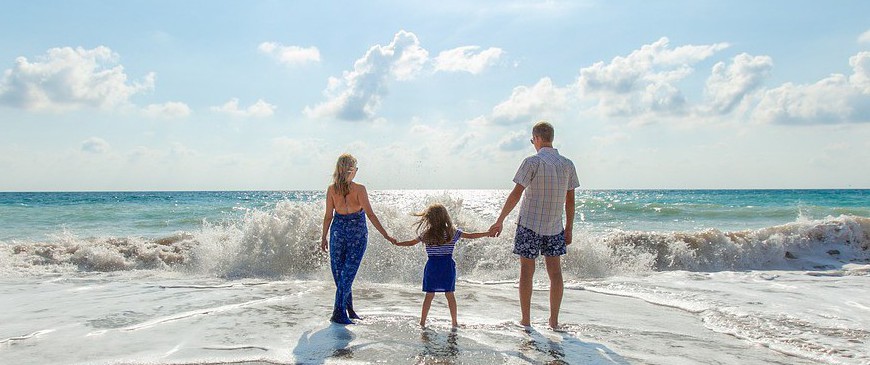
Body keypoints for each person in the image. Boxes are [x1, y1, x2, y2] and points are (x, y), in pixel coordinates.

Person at [488, 121, 580, 329]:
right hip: (555, 227)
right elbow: (570, 201)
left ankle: (526, 320)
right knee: (555, 273)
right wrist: (570, 228)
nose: (533, 143)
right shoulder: (567, 164)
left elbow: (516, 194)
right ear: (551, 138)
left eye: (532, 140)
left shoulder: (532, 162)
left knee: (526, 273)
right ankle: (553, 321)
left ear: (537, 138)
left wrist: (500, 220)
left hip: (529, 224)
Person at [321, 153, 395, 324]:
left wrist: (324, 237)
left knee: (343, 274)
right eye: (355, 168)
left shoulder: (332, 189)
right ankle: (339, 313)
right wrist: (385, 234)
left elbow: (328, 216)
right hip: (356, 233)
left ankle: (349, 310)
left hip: (338, 232)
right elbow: (370, 214)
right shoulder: (359, 189)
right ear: (352, 170)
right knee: (345, 274)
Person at [393, 203, 491, 327]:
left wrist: (397, 243)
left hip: (432, 266)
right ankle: (454, 322)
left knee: (429, 295)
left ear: (429, 218)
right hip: (447, 267)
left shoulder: (426, 234)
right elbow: (471, 236)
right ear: (445, 217)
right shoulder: (452, 232)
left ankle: (422, 322)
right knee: (450, 295)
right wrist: (487, 233)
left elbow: (411, 243)